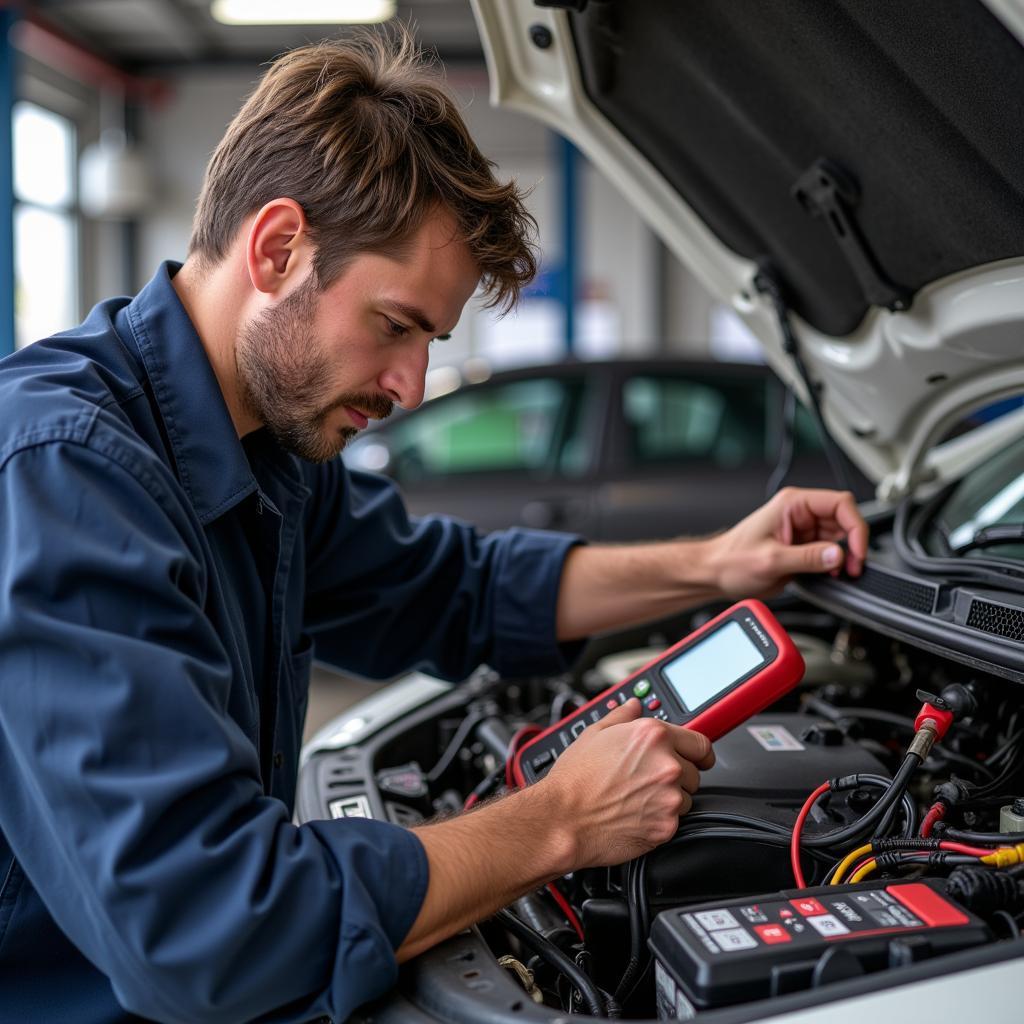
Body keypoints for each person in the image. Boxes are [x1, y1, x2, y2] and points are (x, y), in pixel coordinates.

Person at [0, 30, 868, 1024]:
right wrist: (559, 820)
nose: (411, 386)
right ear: (278, 249)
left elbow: (462, 588)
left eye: (431, 341)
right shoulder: (65, 471)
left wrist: (719, 562)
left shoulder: (267, 451)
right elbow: (204, 927)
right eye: (396, 325)